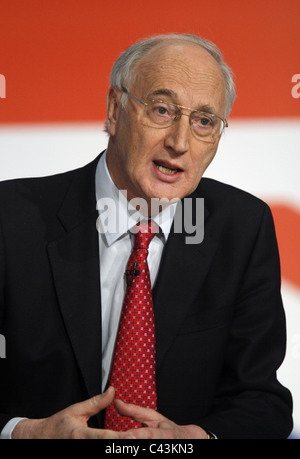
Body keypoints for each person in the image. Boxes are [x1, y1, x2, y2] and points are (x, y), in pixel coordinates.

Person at [0, 33, 293, 439]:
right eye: (162, 109)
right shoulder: (11, 218)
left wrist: (198, 439)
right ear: (114, 109)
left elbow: (262, 401)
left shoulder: (241, 227)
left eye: (204, 121)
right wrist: (24, 433)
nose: (179, 143)